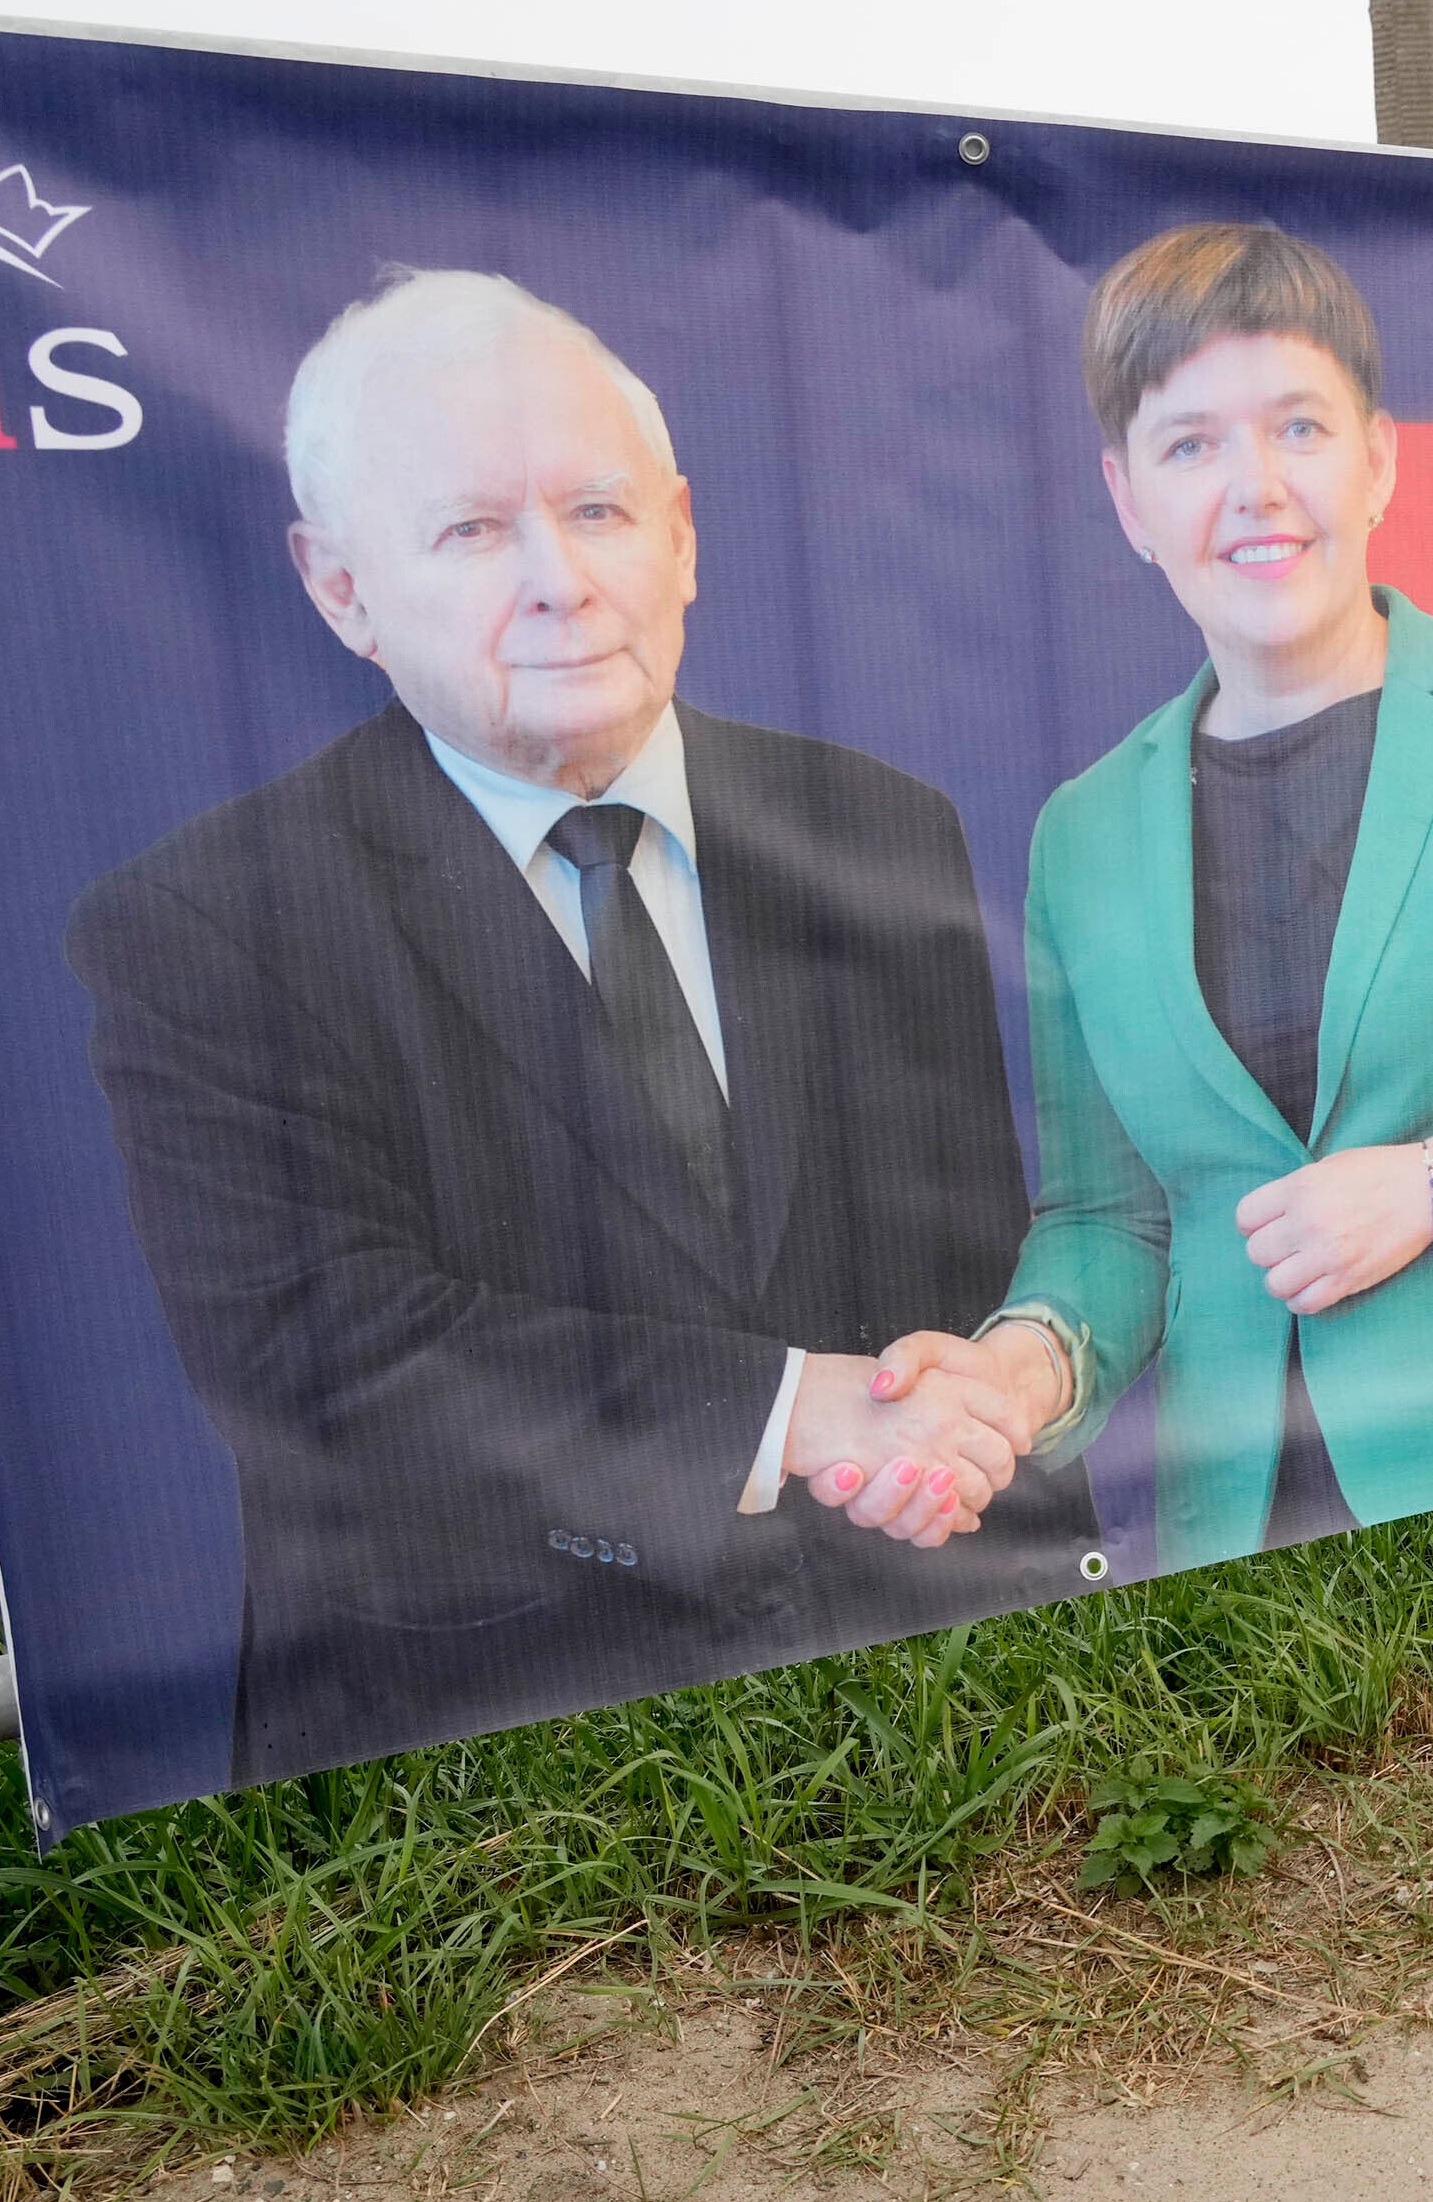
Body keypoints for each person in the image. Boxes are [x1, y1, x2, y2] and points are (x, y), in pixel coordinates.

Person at [68, 269, 1098, 1784]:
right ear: (339, 588)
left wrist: (981, 1461)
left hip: (933, 1717)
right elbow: (325, 1358)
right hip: (490, 1778)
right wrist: (790, 1415)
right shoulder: (203, 927)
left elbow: (963, 1244)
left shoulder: (879, 829)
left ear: (680, 534)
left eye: (600, 512)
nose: (559, 579)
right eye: (473, 530)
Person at [876, 225, 1433, 1574]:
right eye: (1191, 445)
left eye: (1298, 426)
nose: (1255, 486)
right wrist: (1023, 1365)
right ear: (1127, 499)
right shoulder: (1083, 836)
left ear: (1379, 459)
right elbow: (1114, 1219)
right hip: (1246, 1537)